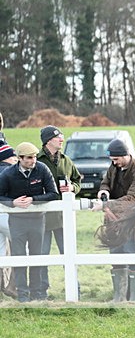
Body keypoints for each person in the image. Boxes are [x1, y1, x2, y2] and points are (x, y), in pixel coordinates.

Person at [0, 142, 59, 302]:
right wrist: (13, 203)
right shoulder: (8, 174)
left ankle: (37, 294)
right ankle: (23, 296)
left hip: (37, 220)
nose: (33, 161)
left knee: (37, 256)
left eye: (34, 157)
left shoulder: (42, 169)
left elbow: (53, 193)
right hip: (17, 222)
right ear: (19, 158)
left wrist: (34, 199)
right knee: (19, 258)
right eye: (28, 158)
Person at [94, 138, 135, 302]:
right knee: (116, 256)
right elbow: (105, 182)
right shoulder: (114, 166)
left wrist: (106, 204)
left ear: (125, 155)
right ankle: (119, 298)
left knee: (132, 255)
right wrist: (103, 191)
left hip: (133, 220)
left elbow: (133, 198)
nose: (114, 163)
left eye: (116, 159)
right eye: (112, 160)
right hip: (114, 220)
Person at [37, 125, 82, 299]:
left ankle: (75, 290)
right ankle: (41, 292)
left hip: (64, 219)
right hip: (42, 218)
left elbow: (78, 180)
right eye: (58, 137)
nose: (61, 139)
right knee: (42, 256)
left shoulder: (66, 160)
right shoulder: (37, 160)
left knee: (69, 254)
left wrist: (72, 187)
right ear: (48, 140)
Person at [0, 142, 18, 298]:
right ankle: (13, 286)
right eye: (13, 156)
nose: (16, 159)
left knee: (0, 252)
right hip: (7, 216)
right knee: (21, 248)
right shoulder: (9, 172)